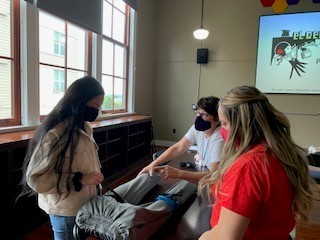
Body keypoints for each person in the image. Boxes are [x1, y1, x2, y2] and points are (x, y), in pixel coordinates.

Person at [198, 86, 319, 240]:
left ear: (241, 125)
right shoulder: (277, 153)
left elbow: (225, 237)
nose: (222, 130)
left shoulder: (248, 166)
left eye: (224, 124)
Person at [17, 76, 105, 240]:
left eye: (99, 107)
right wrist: (80, 180)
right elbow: (36, 178)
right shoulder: (56, 134)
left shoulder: (84, 126)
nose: (96, 111)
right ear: (78, 102)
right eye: (94, 106)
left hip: (85, 204)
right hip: (66, 209)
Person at [139, 96, 224, 184]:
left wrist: (178, 173)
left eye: (204, 114)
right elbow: (178, 147)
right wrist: (153, 164)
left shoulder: (219, 137)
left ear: (217, 118)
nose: (198, 117)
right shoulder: (197, 130)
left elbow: (214, 176)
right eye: (197, 113)